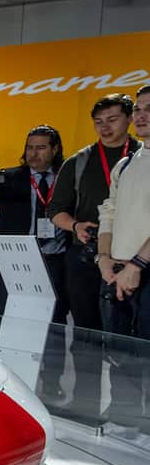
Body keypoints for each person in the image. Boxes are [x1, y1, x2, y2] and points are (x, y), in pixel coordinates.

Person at [49, 93, 140, 421]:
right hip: (86, 258)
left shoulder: (140, 157)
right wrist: (75, 225)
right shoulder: (80, 161)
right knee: (85, 334)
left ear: (129, 119)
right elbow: (55, 209)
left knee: (125, 338)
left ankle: (125, 412)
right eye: (99, 122)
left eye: (112, 119)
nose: (105, 127)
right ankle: (85, 406)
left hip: (131, 259)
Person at [0, 124, 68, 398]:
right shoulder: (9, 177)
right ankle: (8, 378)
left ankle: (52, 381)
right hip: (15, 260)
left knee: (53, 323)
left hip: (55, 259)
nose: (33, 153)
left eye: (41, 147)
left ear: (55, 149)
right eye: (30, 147)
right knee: (6, 318)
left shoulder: (67, 176)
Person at [96, 85, 150, 431]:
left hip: (141, 269)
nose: (142, 115)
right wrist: (104, 257)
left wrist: (138, 264)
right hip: (118, 271)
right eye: (140, 109)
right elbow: (109, 213)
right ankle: (124, 419)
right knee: (120, 351)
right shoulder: (128, 163)